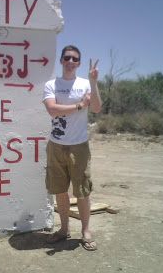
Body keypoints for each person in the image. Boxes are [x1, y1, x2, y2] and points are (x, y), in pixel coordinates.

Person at [42, 45, 102, 251]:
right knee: (60, 191)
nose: (70, 61)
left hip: (79, 146)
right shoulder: (52, 84)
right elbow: (52, 110)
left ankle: (85, 231)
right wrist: (78, 105)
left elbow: (96, 107)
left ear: (79, 63)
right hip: (56, 145)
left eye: (75, 59)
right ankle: (64, 229)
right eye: (67, 57)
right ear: (61, 60)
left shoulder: (86, 84)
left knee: (83, 191)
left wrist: (93, 83)